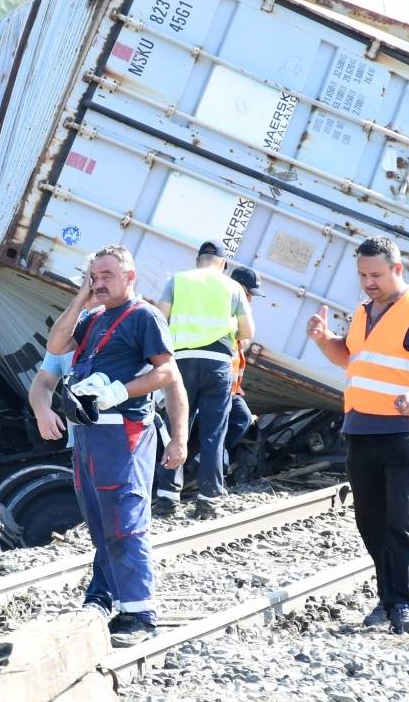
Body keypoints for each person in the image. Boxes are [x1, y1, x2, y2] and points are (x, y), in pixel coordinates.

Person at [29, 245, 188, 647]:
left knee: (124, 520)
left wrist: (120, 391)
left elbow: (167, 371)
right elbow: (57, 343)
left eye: (107, 276)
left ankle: (141, 612)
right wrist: (83, 296)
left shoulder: (143, 316)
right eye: (94, 276)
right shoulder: (94, 318)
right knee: (100, 523)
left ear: (129, 277)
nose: (100, 282)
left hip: (123, 430)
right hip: (87, 432)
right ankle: (119, 603)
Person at [306, 237, 409, 635]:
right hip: (360, 427)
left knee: (401, 519)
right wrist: (325, 342)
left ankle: (403, 604)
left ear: (397, 270)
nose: (368, 283)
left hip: (405, 431)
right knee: (369, 521)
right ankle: (387, 599)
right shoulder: (362, 312)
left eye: (375, 275)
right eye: (362, 275)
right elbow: (351, 357)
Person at [151, 241, 254, 518]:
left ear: (199, 260)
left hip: (181, 362)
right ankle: (208, 499)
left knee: (176, 429)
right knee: (214, 433)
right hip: (218, 366)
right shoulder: (232, 287)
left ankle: (167, 497)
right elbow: (247, 331)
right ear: (222, 264)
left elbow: (159, 319)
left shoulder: (177, 280)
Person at [221, 266, 263, 475]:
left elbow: (243, 341)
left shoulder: (238, 312)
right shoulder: (222, 308)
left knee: (242, 418)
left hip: (230, 389)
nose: (251, 300)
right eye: (248, 294)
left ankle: (209, 459)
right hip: (217, 385)